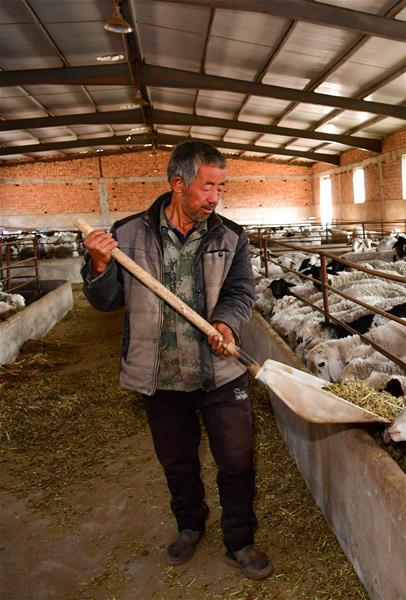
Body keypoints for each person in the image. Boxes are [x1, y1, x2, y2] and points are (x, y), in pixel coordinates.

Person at [81, 140, 272, 579]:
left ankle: (240, 539)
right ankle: (189, 525)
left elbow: (241, 291)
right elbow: (105, 302)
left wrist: (225, 324)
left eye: (221, 187)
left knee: (237, 460)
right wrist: (99, 265)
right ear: (178, 184)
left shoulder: (231, 236)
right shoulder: (127, 234)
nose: (215, 197)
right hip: (160, 372)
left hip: (221, 372)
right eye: (207, 187)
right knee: (177, 461)